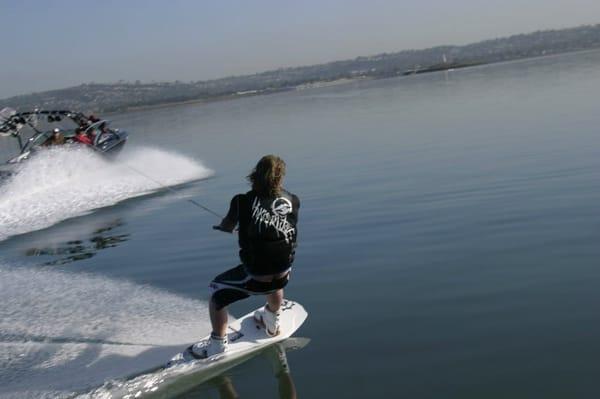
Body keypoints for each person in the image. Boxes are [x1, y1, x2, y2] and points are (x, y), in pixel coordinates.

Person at [193, 155, 300, 358]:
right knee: (275, 276)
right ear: (280, 178)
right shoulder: (293, 200)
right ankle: (271, 324)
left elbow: (227, 226)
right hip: (284, 273)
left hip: (255, 277)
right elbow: (283, 230)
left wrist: (223, 227)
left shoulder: (242, 201)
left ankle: (217, 346)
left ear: (255, 175)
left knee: (216, 293)